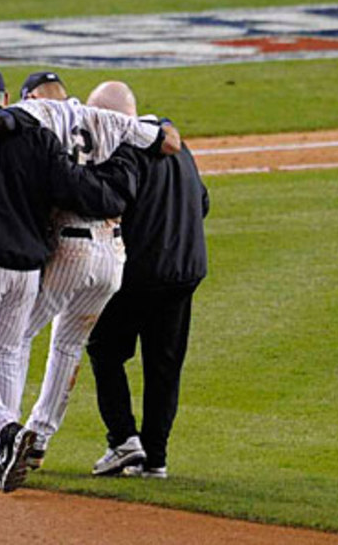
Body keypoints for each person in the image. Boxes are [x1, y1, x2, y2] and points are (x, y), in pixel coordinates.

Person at [0, 73, 180, 470]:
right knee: (68, 346)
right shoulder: (110, 119)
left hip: (69, 246)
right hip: (113, 253)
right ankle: (37, 437)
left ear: (30, 96)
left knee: (10, 340)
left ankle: (1, 434)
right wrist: (153, 126)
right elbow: (169, 142)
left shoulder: (36, 112)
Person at [84, 87, 209, 479]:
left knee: (104, 350)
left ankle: (123, 440)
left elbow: (107, 203)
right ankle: (155, 459)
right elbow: (202, 202)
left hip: (139, 274)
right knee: (163, 367)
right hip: (184, 271)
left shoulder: (126, 151)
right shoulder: (180, 147)